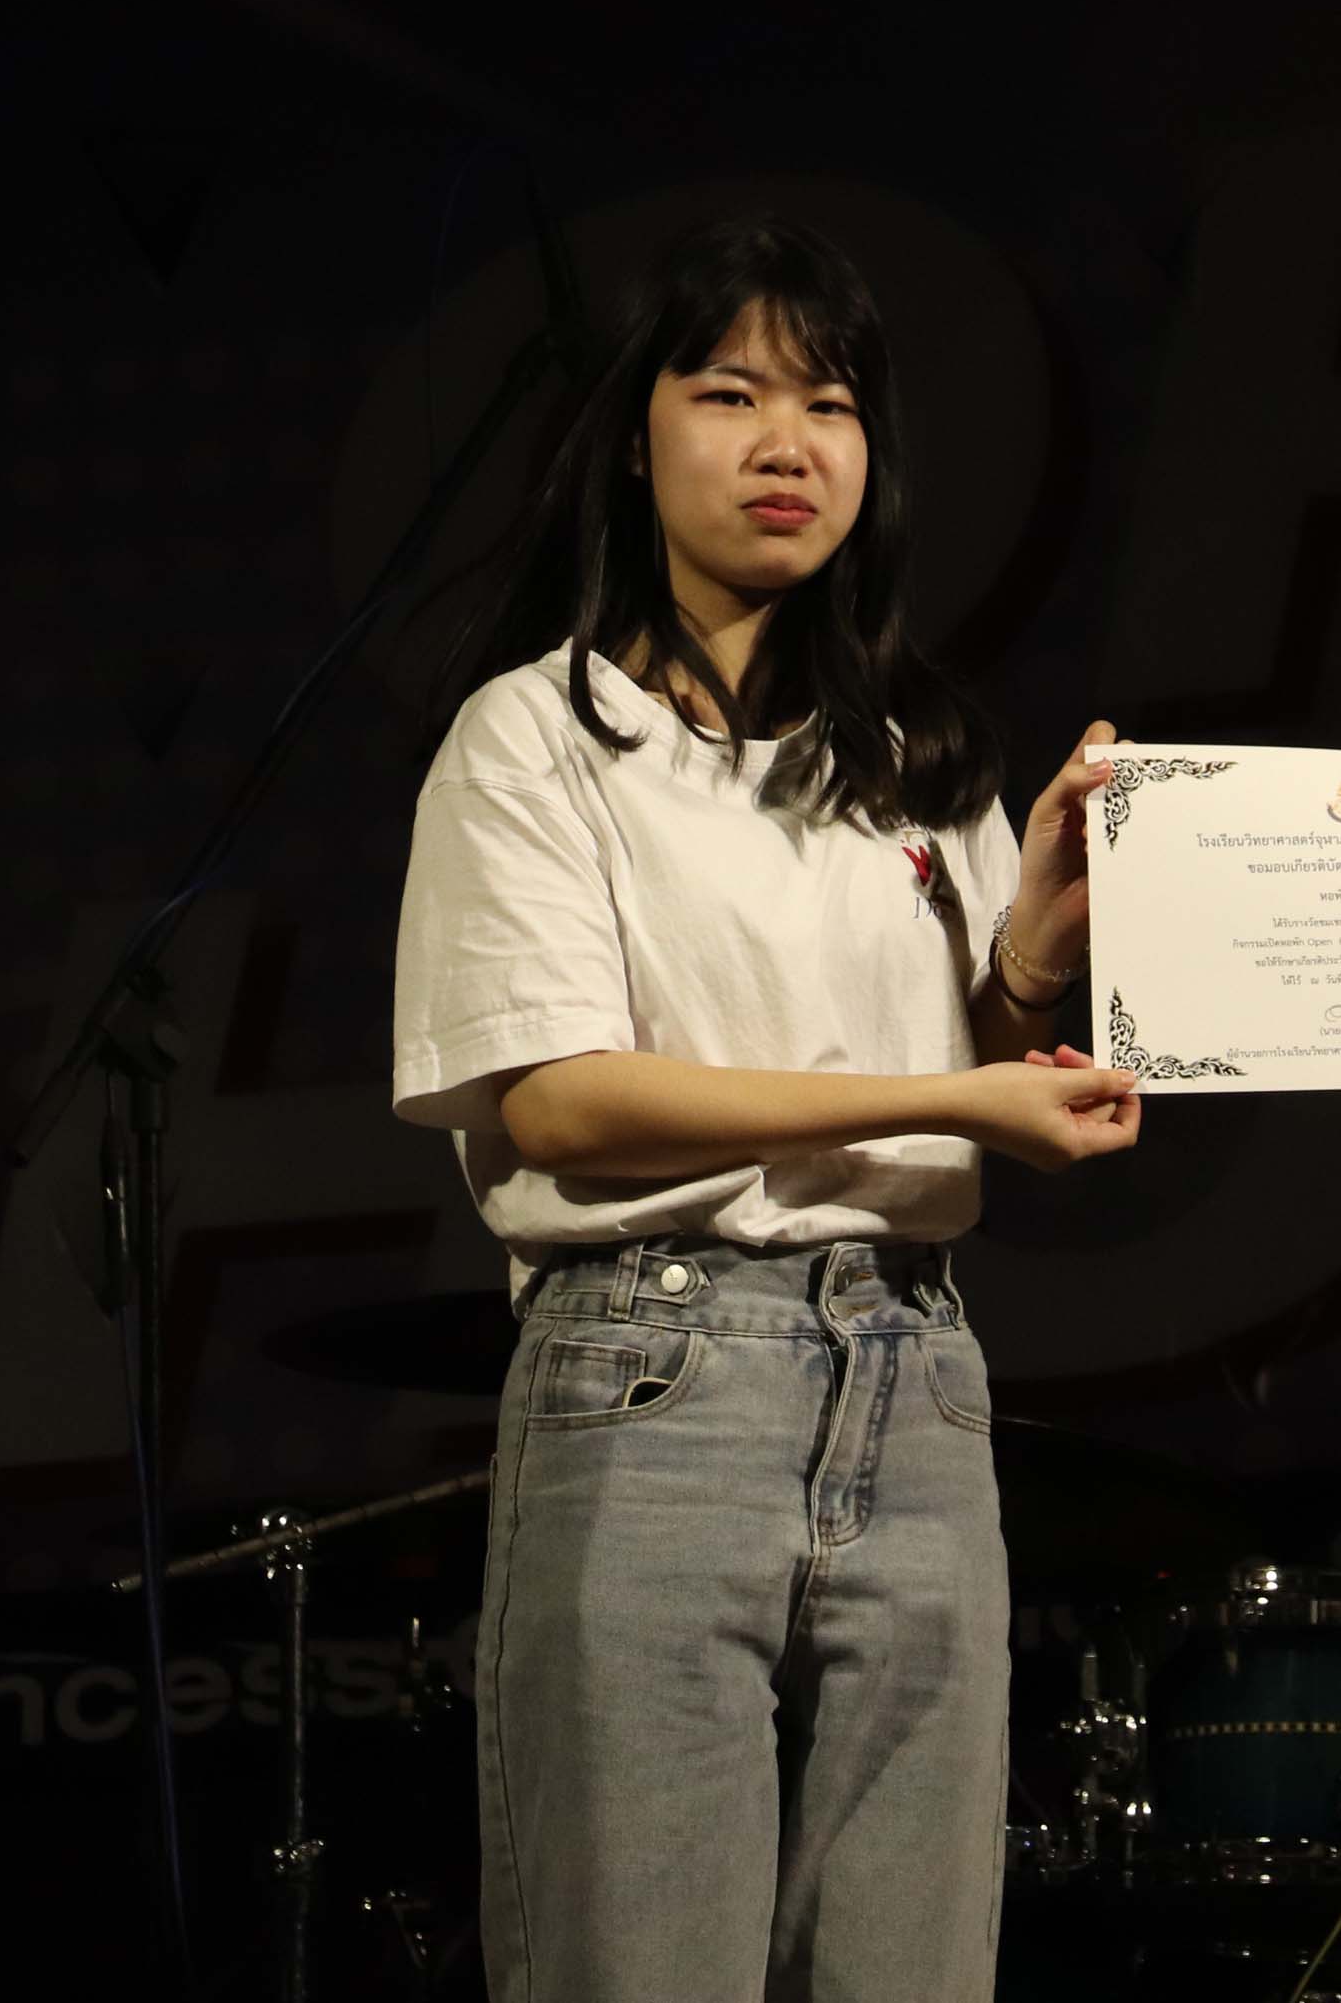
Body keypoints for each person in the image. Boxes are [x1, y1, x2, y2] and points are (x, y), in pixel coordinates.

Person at [391, 215, 1138, 2000]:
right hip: (650, 1375)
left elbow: (979, 1061)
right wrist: (954, 1090)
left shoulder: (915, 752)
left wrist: (1037, 945)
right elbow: (562, 1101)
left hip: (916, 1369)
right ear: (630, 436)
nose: (786, 441)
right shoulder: (534, 738)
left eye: (831, 401)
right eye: (729, 392)